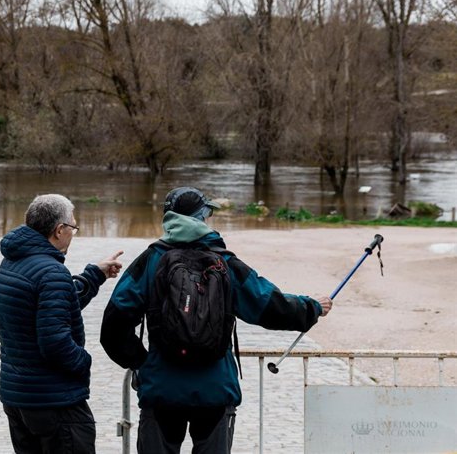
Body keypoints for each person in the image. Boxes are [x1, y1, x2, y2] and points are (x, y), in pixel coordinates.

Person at [100, 186, 333, 454]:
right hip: (215, 388)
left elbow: (113, 326)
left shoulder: (151, 260)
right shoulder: (224, 262)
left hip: (161, 389)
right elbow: (269, 304)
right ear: (201, 217)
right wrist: (312, 307)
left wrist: (143, 363)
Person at [0, 193, 123, 454]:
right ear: (59, 230)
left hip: (19, 399)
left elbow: (58, 305)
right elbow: (55, 342)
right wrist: (84, 362)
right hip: (54, 401)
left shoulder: (12, 263)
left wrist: (94, 275)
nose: (74, 233)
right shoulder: (52, 272)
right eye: (73, 227)